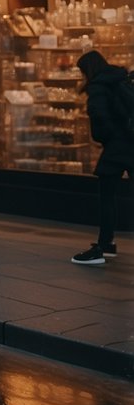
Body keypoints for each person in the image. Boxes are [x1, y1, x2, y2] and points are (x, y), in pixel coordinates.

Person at [72, 50, 133, 265]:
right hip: (131, 141)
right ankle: (106, 244)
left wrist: (103, 138)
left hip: (117, 147)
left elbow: (99, 118)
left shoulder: (98, 87)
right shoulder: (121, 79)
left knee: (107, 196)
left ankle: (104, 245)